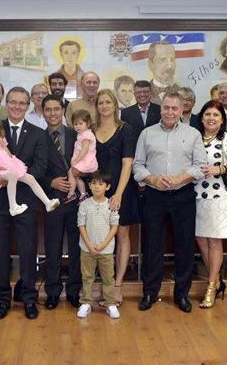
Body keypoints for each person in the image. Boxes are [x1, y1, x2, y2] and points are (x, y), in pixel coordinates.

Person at [0, 87, 51, 320]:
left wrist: (13, 177)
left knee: (28, 251)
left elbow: (40, 167)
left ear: (28, 106)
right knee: (0, 252)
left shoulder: (38, 133)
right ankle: (3, 298)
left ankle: (29, 298)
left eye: (22, 103)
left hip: (25, 201)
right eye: (12, 102)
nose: (16, 106)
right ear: (7, 102)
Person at [133, 92, 207, 313]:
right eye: (166, 107)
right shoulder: (147, 134)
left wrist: (178, 179)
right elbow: (138, 166)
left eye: (175, 108)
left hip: (183, 195)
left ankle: (182, 294)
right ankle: (150, 292)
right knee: (152, 244)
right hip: (154, 196)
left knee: (184, 246)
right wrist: (152, 179)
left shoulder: (193, 134)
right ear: (160, 108)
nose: (170, 112)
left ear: (182, 109)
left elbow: (200, 166)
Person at [194, 100, 227, 308]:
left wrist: (220, 169)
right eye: (208, 114)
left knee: (214, 241)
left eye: (216, 115)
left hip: (218, 196)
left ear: (222, 119)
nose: (211, 118)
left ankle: (211, 284)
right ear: (202, 117)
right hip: (196, 194)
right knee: (200, 239)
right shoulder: (194, 138)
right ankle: (217, 280)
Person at [93, 89, 138, 307]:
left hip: (122, 192)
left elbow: (127, 163)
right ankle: (104, 284)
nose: (104, 106)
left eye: (108, 102)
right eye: (100, 102)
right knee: (100, 238)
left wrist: (118, 193)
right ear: (97, 106)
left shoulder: (125, 129)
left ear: (115, 105)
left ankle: (117, 286)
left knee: (121, 237)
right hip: (97, 193)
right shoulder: (90, 131)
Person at [40, 95, 82, 309]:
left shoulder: (77, 135)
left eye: (57, 109)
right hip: (52, 201)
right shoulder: (38, 136)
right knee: (53, 247)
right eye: (48, 109)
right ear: (43, 111)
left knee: (76, 247)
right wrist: (51, 182)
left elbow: (89, 163)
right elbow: (32, 170)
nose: (53, 113)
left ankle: (75, 291)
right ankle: (53, 291)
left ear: (63, 110)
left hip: (76, 202)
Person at [0, 115, 60, 216]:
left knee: (30, 178)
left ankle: (47, 202)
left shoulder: (0, 141)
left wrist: (2, 144)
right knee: (12, 176)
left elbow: (9, 155)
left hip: (8, 166)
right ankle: (13, 206)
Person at [76, 171, 121, 319]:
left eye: (101, 184)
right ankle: (87, 302)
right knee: (87, 276)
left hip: (106, 250)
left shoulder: (111, 204)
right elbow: (81, 225)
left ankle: (110, 303)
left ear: (107, 187)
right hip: (87, 249)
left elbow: (114, 226)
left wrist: (103, 245)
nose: (96, 187)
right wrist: (89, 245)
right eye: (94, 183)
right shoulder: (84, 204)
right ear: (89, 185)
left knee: (108, 278)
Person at [67, 109, 98, 203]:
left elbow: (85, 150)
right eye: (75, 124)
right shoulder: (82, 134)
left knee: (71, 172)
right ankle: (83, 194)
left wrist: (76, 160)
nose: (77, 126)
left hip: (86, 161)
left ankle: (71, 193)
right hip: (86, 161)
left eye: (80, 123)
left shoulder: (86, 135)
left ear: (87, 123)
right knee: (77, 177)